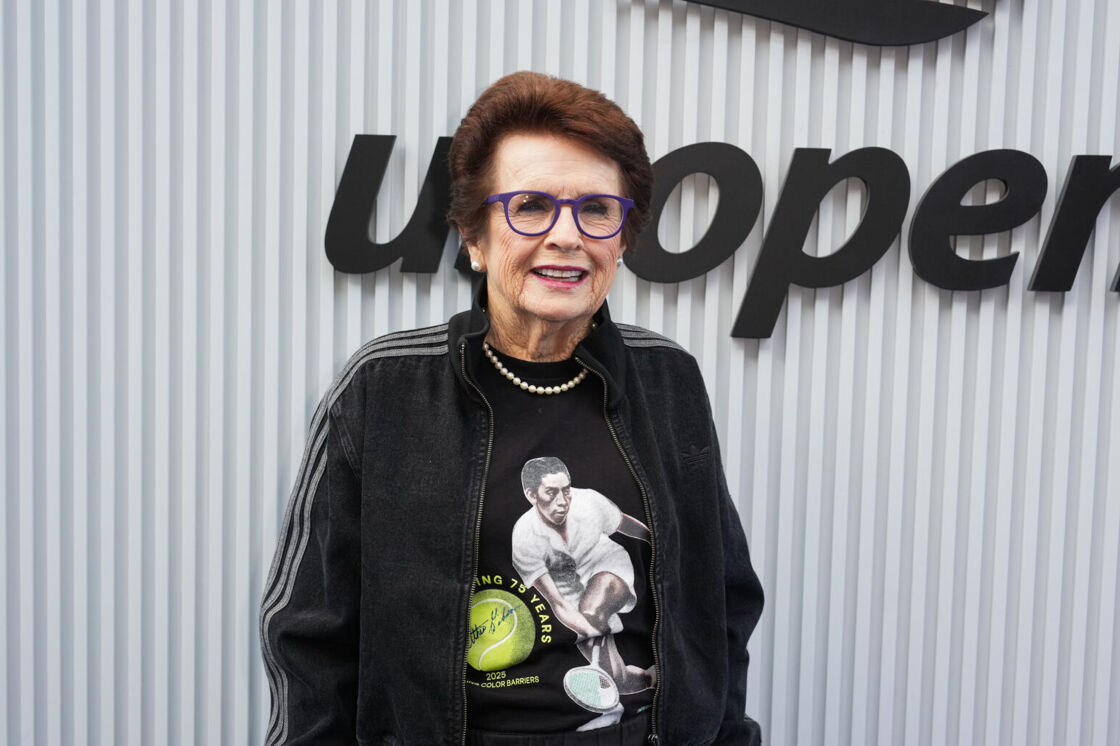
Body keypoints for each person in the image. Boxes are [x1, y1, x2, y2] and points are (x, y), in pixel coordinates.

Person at [260, 71, 764, 745]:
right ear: (474, 237)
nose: (566, 236)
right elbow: (308, 632)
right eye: (530, 207)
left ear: (622, 238)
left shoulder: (668, 378)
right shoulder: (385, 388)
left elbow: (722, 602)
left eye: (596, 210)